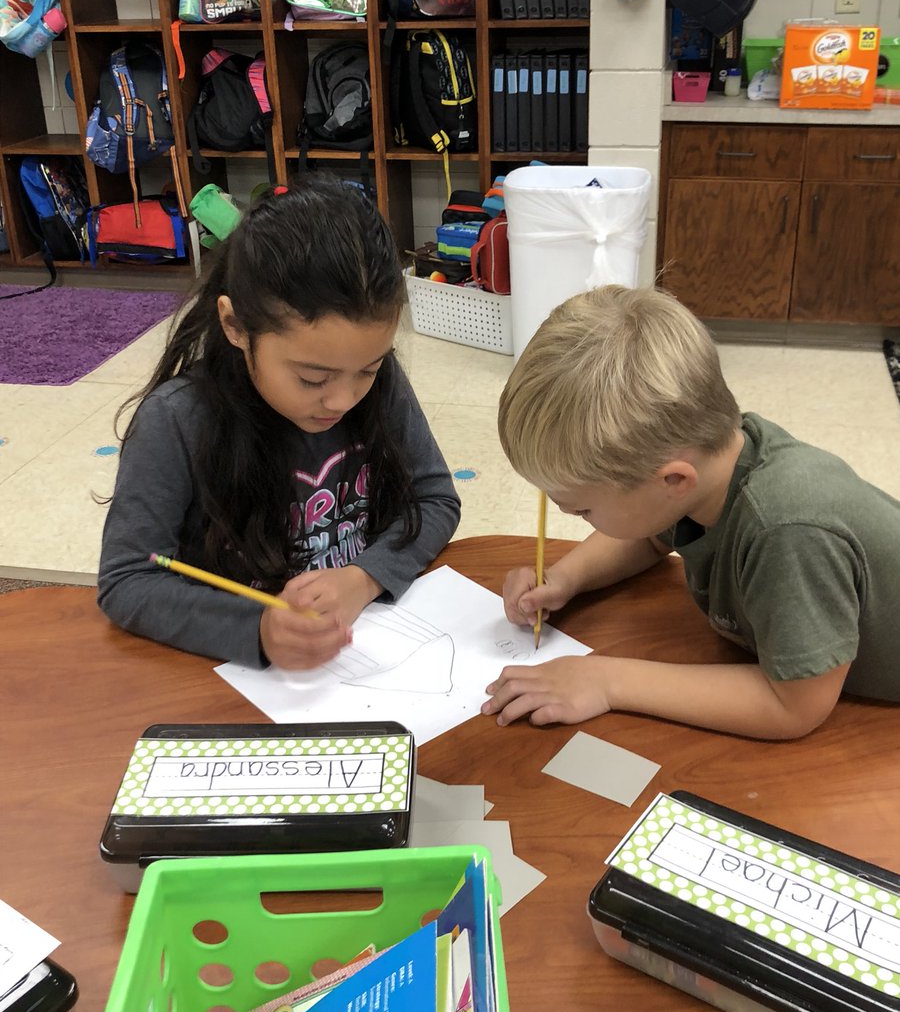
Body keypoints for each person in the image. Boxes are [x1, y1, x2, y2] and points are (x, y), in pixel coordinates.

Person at [482, 285, 900, 740]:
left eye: (582, 509)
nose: (569, 515)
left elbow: (793, 706)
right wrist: (566, 578)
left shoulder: (787, 532)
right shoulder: (711, 461)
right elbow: (651, 535)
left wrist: (605, 680)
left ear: (673, 481)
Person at [99, 177, 460, 670]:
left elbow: (436, 498)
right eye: (313, 378)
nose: (343, 398)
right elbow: (127, 580)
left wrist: (363, 577)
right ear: (235, 327)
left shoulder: (374, 383)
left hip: (365, 648)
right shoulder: (177, 421)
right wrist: (256, 630)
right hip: (228, 678)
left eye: (370, 369)